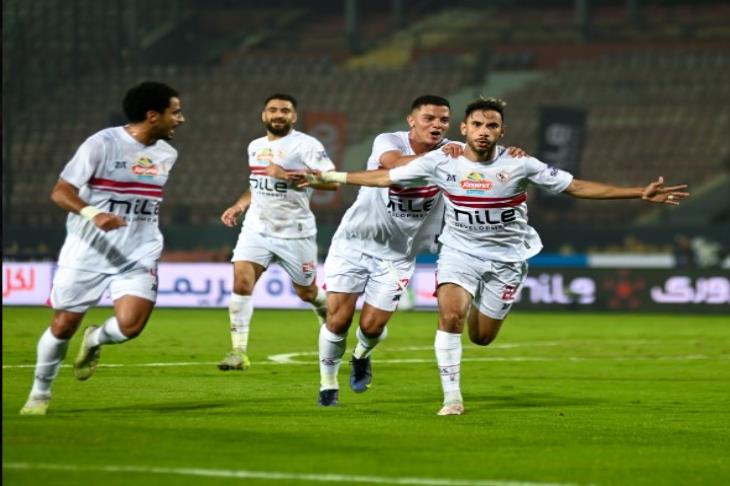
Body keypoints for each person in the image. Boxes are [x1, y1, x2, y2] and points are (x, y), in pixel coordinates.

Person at [301, 97, 690, 415]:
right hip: (457, 252)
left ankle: (372, 351)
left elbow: (575, 186)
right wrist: (331, 177)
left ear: (502, 132)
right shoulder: (442, 159)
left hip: (506, 258)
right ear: (464, 129)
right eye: (477, 125)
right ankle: (451, 399)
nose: (484, 131)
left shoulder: (520, 163)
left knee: (482, 337)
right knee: (448, 317)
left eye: (492, 126)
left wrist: (637, 192)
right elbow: (386, 175)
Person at [315, 95, 526, 407]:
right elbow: (392, 165)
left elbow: (490, 159)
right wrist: (442, 157)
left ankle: (361, 355)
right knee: (338, 320)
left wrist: (512, 155)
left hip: (399, 255)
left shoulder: (456, 152)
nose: (437, 125)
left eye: (443, 120)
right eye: (429, 118)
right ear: (411, 121)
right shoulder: (390, 141)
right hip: (354, 243)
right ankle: (328, 385)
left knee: (372, 327)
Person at [20, 81, 185, 415]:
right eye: (176, 112)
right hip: (88, 251)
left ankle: (95, 339)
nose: (181, 119)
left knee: (130, 327)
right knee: (63, 325)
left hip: (139, 252)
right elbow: (60, 191)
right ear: (153, 116)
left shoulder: (167, 154)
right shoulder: (102, 144)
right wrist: (93, 213)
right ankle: (40, 394)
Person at [217, 93, 338, 371]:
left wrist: (286, 175)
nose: (278, 115)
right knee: (242, 281)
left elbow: (332, 182)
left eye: (285, 110)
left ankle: (327, 313)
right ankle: (238, 352)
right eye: (273, 110)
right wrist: (239, 205)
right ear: (264, 115)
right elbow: (256, 183)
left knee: (306, 292)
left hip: (295, 232)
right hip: (256, 228)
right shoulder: (255, 146)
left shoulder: (307, 145)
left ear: (294, 116)